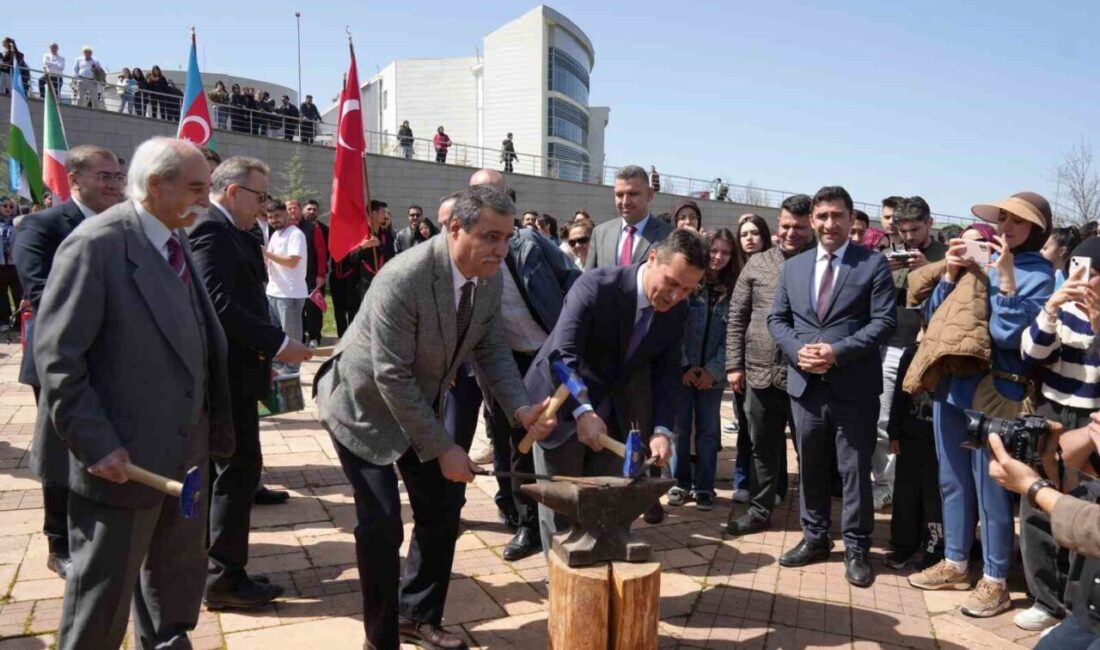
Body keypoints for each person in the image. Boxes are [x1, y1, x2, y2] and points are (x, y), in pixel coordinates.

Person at [315, 184, 553, 650]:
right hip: (361, 406)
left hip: (415, 402)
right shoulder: (405, 276)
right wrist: (443, 446)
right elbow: (391, 377)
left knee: (444, 506)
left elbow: (490, 348)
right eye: (489, 236)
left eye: (506, 238)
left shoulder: (491, 275)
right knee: (381, 523)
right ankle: (380, 640)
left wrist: (521, 408)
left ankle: (416, 615)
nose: (500, 250)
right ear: (454, 227)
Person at [32, 137, 233, 648]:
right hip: (121, 459)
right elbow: (58, 358)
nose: (204, 201)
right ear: (154, 186)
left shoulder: (173, 233)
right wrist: (96, 443)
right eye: (195, 188)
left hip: (184, 452)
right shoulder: (95, 245)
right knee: (104, 591)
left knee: (177, 573)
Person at [906, 192, 1054, 618]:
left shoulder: (1040, 274)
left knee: (992, 490)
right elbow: (936, 316)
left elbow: (1011, 337)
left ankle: (995, 578)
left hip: (998, 393)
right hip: (951, 386)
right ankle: (955, 561)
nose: (1006, 228)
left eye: (1017, 223)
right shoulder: (977, 262)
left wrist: (1005, 278)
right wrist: (952, 274)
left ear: (1036, 229)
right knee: (952, 479)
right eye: (1003, 220)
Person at [528, 228, 706, 545]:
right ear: (652, 259)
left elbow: (667, 373)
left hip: (615, 413)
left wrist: (663, 430)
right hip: (561, 406)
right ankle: (560, 586)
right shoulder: (596, 285)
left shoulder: (677, 310)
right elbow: (562, 354)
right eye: (672, 283)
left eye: (688, 290)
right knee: (561, 509)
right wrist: (583, 411)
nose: (676, 296)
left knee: (605, 503)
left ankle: (597, 581)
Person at [187, 157, 311, 610]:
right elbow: (217, 302)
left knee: (235, 473)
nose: (265, 207)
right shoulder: (210, 231)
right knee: (235, 474)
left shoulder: (237, 231)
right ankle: (222, 579)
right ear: (234, 191)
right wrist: (278, 342)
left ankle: (219, 570)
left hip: (241, 372)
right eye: (259, 197)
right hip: (224, 377)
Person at [767, 185, 896, 589]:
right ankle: (815, 537)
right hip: (805, 386)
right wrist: (797, 350)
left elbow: (884, 323)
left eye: (836, 216)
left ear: (850, 218)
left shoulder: (872, 264)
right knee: (810, 465)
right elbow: (777, 320)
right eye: (821, 216)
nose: (828, 224)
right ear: (812, 220)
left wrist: (836, 352)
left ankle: (857, 547)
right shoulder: (794, 267)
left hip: (853, 386)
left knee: (854, 469)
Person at [14, 145, 123, 580]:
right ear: (74, 179)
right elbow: (42, 294)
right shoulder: (41, 227)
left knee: (105, 443)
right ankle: (58, 541)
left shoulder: (122, 226)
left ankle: (97, 524)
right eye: (104, 176)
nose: (114, 184)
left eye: (118, 176)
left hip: (115, 361)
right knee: (63, 450)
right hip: (62, 361)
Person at [484, 200, 580, 560]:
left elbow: (573, 280)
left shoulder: (532, 244)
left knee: (560, 435)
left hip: (551, 355)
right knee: (513, 443)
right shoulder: (470, 261)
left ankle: (567, 517)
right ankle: (528, 525)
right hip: (504, 361)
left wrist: (572, 330)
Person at [1015, 236, 1100, 631]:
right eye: (1078, 272)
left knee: (1083, 511)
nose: (1084, 282)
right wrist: (1051, 308)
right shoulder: (1061, 306)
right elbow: (1031, 354)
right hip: (1052, 411)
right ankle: (1046, 599)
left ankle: (1076, 607)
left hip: (1094, 420)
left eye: (1093, 275)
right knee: (1036, 502)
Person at [724, 194, 814, 536]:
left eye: (800, 228)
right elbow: (737, 317)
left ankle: (812, 518)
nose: (792, 233)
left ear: (812, 226)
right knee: (763, 447)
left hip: (806, 375)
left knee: (810, 449)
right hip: (759, 372)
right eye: (786, 226)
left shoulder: (822, 264)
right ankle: (760, 511)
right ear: (777, 225)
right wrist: (735, 364)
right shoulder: (758, 263)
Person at [986, 416, 1100, 649]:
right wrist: (1048, 458)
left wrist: (1033, 487)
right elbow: (1081, 496)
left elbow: (1093, 526)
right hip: (1090, 616)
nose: (1095, 415)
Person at [873, 197, 948, 512]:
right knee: (883, 419)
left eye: (915, 229)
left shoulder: (947, 257)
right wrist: (882, 273)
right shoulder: (888, 255)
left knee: (926, 424)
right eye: (902, 230)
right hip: (891, 345)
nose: (909, 237)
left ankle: (927, 490)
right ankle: (885, 485)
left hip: (932, 350)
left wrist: (928, 271)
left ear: (930, 223)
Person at [669, 228, 738, 512]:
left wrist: (712, 370)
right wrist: (684, 365)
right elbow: (674, 328)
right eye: (714, 250)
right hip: (683, 370)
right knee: (680, 429)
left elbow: (734, 335)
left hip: (713, 375)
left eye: (725, 252)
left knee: (709, 431)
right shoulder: (689, 284)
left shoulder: (734, 289)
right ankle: (679, 482)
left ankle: (705, 486)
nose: (718, 257)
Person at [728, 213, 774, 502]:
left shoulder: (776, 266)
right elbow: (734, 320)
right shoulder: (731, 270)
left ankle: (772, 485)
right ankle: (742, 480)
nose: (749, 238)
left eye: (755, 232)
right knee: (745, 424)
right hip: (741, 359)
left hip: (768, 359)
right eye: (744, 233)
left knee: (766, 428)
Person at [586, 165, 674, 270]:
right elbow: (587, 282)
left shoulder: (670, 236)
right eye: (619, 195)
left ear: (650, 194)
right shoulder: (600, 233)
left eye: (633, 194)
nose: (625, 202)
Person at [263, 200, 308, 374]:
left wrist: (266, 253)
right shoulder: (275, 235)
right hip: (273, 291)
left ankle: (293, 371)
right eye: (270, 217)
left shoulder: (295, 234)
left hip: (290, 293)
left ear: (286, 214)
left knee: (292, 336)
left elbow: (292, 261)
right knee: (276, 337)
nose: (274, 220)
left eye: (277, 216)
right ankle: (280, 368)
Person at [295, 198, 329, 348]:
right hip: (296, 277)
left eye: (314, 209)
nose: (311, 212)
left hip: (313, 277)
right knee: (298, 307)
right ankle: (302, 335)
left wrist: (321, 274)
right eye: (309, 209)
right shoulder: (292, 228)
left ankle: (315, 336)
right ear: (303, 210)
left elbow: (322, 254)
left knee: (314, 307)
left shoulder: (316, 229)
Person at [0, 198, 21, 327]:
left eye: (11, 206)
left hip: (15, 265)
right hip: (1, 265)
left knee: (18, 293)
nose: (8, 208)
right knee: (1, 294)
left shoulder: (18, 223)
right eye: (4, 206)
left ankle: (20, 322)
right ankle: (3, 321)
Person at [1041, 226, 1082, 290]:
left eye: (1044, 248)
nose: (1040, 252)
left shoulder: (1068, 278)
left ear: (1061, 251)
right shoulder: (1048, 273)